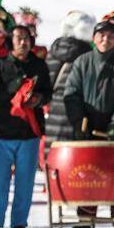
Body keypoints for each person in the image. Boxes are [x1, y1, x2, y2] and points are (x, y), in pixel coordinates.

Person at [64, 20, 114, 228]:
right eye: (101, 35)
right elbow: (71, 94)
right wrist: (79, 121)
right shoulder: (82, 61)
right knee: (87, 174)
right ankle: (86, 220)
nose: (105, 39)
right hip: (87, 127)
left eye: (110, 36)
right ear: (94, 38)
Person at [0, 26, 51, 228]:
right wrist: (15, 87)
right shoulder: (1, 64)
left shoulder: (39, 65)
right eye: (19, 38)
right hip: (4, 131)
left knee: (25, 181)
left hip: (29, 133)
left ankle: (19, 222)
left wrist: (39, 99)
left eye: (27, 39)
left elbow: (48, 93)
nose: (23, 42)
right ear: (11, 41)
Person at [44, 11, 96, 148]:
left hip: (53, 112)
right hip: (78, 114)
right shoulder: (89, 56)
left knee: (54, 155)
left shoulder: (54, 51)